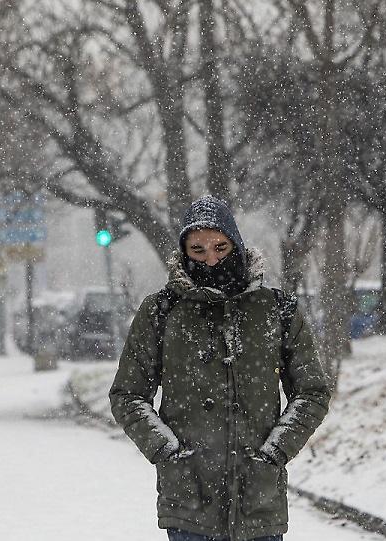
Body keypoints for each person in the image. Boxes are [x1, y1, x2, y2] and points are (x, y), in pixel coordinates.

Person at [109, 196, 332, 541]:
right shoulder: (161, 312)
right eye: (197, 250)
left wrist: (275, 452)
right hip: (188, 501)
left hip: (259, 500)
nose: (211, 258)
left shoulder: (278, 309)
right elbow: (128, 395)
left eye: (220, 246)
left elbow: (312, 391)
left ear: (236, 245)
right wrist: (167, 452)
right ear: (184, 253)